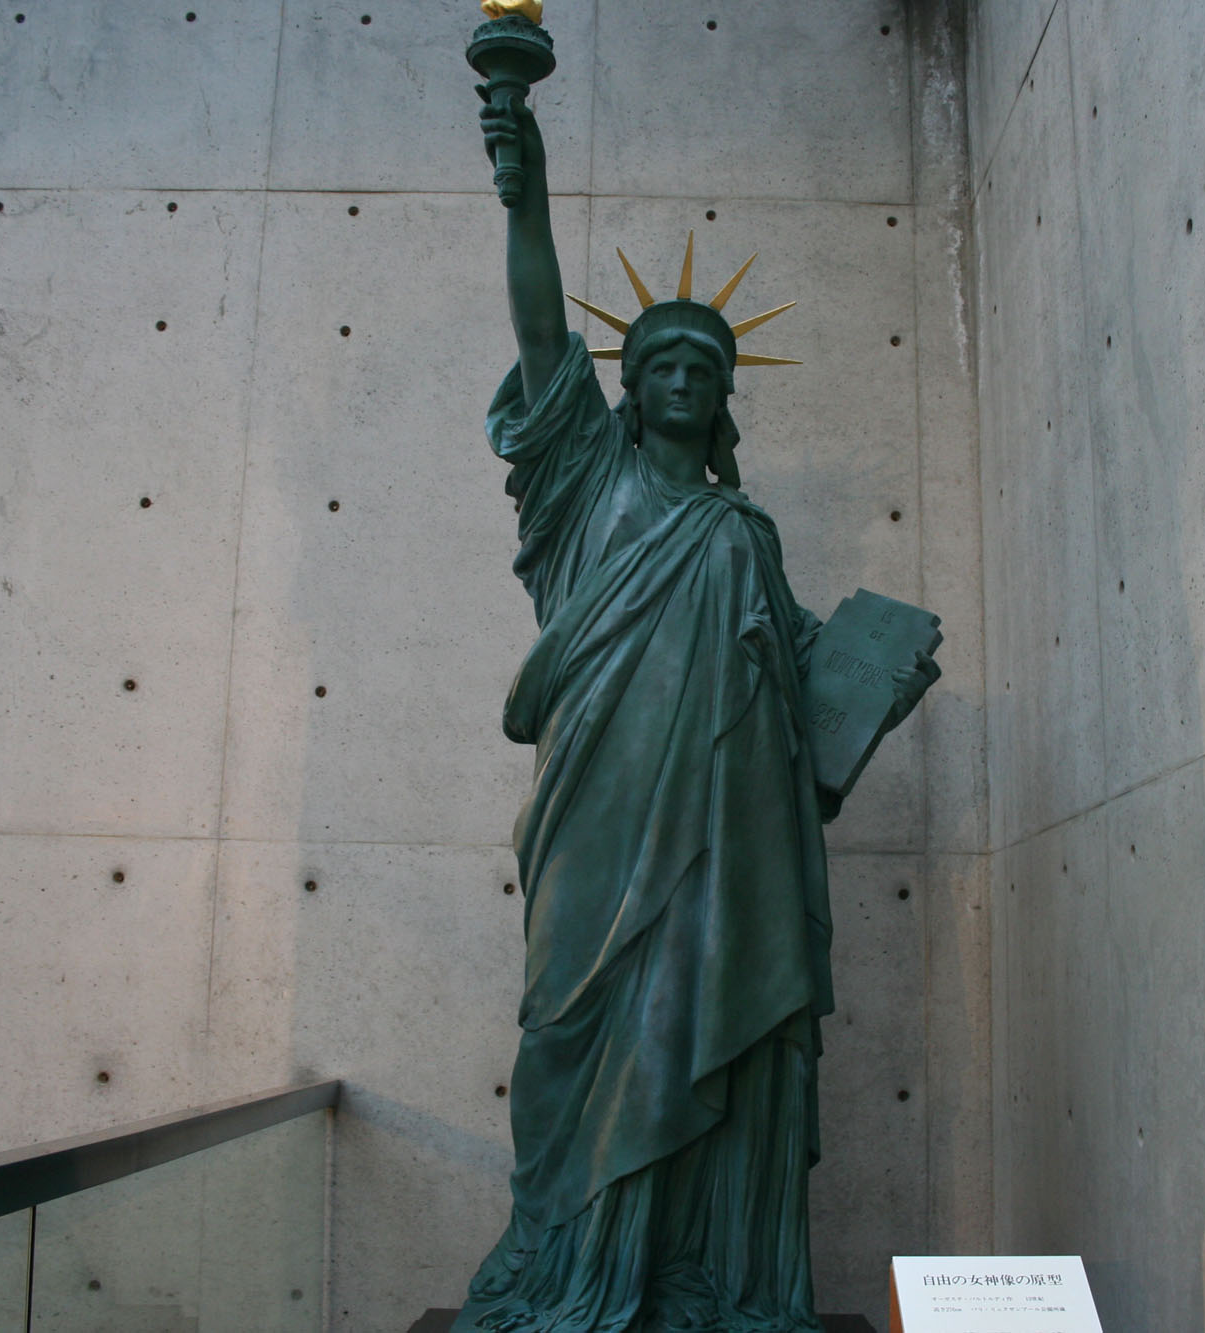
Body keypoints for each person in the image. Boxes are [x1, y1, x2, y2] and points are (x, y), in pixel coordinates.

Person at [457, 88, 937, 1331]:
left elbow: (793, 688)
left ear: (723, 397)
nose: (676, 378)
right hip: (595, 818)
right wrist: (527, 186)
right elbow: (536, 326)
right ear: (626, 389)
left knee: (706, 1032)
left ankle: (696, 1276)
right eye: (657, 363)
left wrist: (874, 677)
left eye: (700, 368)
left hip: (725, 842)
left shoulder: (742, 530)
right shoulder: (582, 482)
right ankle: (565, 1269)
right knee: (569, 1030)